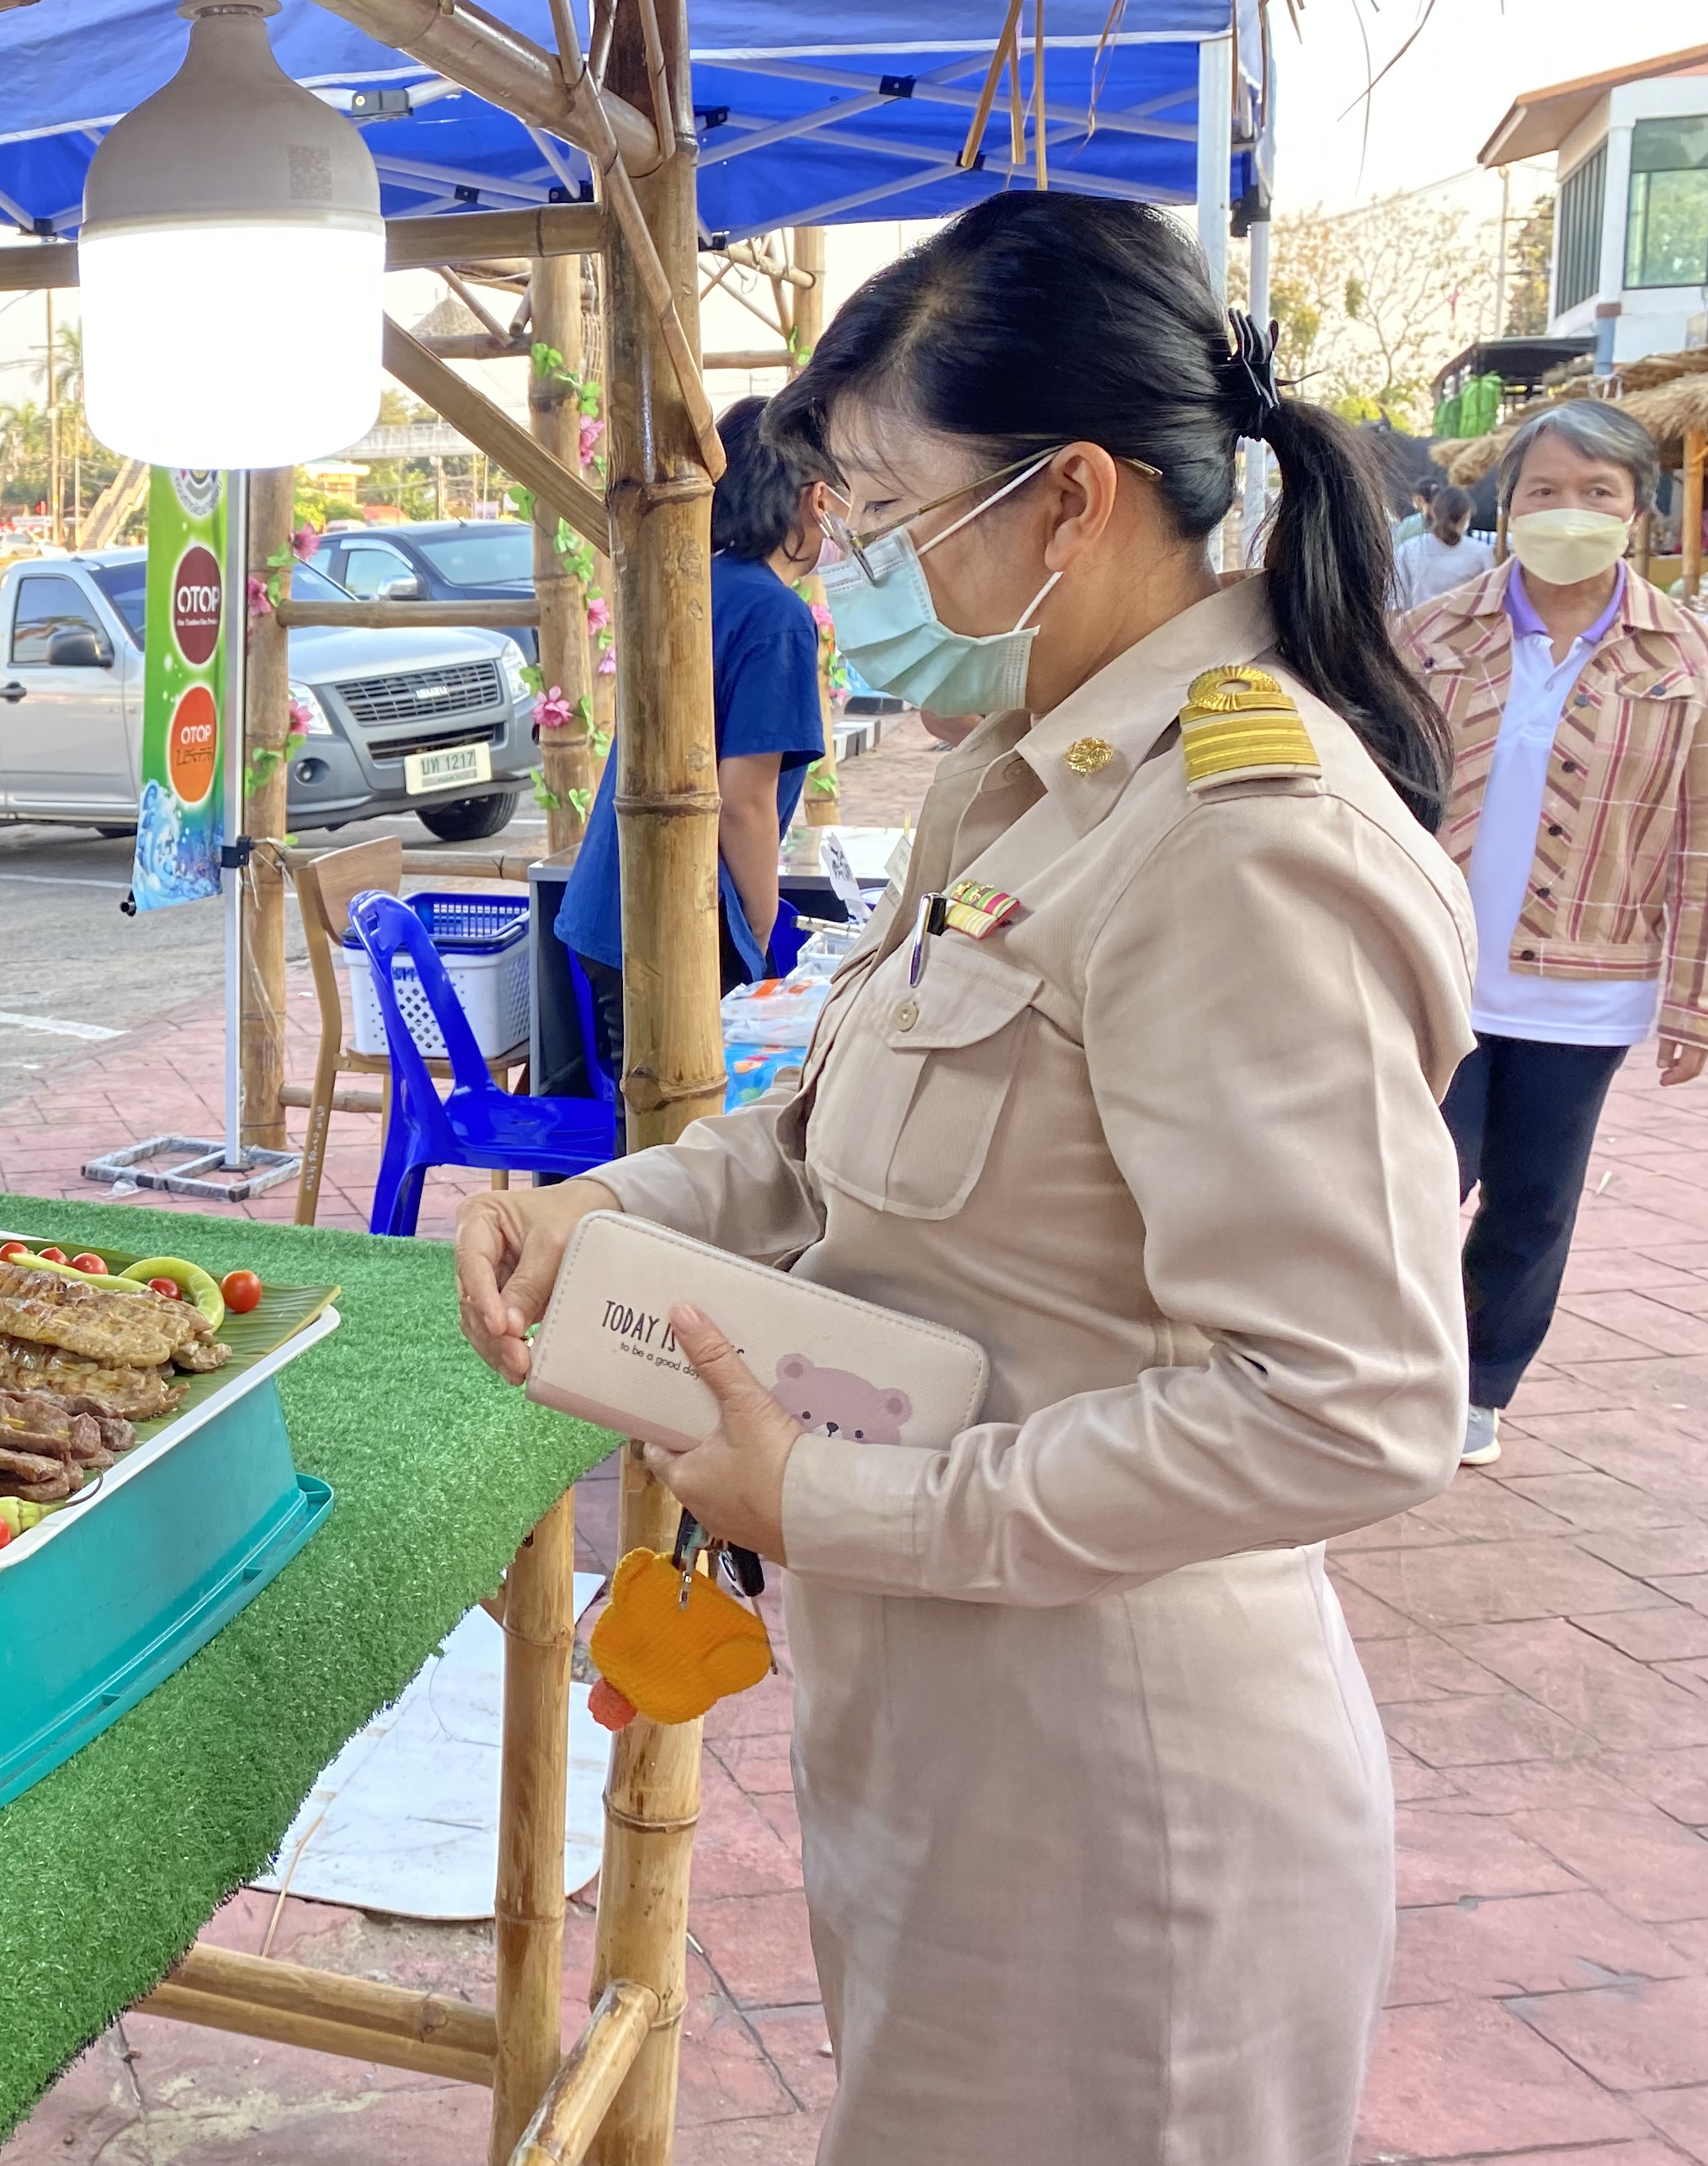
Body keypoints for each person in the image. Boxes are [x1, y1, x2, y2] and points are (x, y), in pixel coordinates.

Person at [459, 194, 1470, 2166]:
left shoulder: (1232, 839)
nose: (855, 574)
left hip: (1121, 1788)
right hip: (954, 1724)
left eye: (891, 516)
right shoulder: (1028, 783)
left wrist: (829, 1496)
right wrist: (603, 1217)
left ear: (1072, 501)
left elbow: (1349, 1404)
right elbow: (837, 1160)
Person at [1395, 396, 1708, 1466]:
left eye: (1598, 493)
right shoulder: (1433, 633)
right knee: (1406, 1186)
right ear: (1507, 504)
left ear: (1637, 509)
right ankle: (1387, 1372)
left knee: (1533, 1202)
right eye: (1543, 491)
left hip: (1585, 989)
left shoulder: (1686, 653)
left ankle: (1482, 1383)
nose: (1568, 512)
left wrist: (1696, 999)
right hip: (1434, 970)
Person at [560, 396, 828, 1037]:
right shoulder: (775, 616)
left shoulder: (688, 580)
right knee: (683, 1122)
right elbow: (744, 803)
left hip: (611, 901)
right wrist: (761, 935)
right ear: (815, 498)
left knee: (646, 1114)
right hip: (681, 919)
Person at [1393, 480, 1493, 608]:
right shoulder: (1482, 553)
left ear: (1434, 512)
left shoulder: (1407, 550)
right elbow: (1491, 600)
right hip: (1467, 626)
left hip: (1418, 625)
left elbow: (1394, 603)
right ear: (1466, 516)